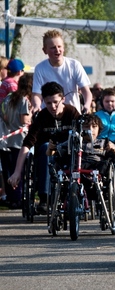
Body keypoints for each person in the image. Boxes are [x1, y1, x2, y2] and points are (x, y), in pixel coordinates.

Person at [7, 81, 80, 213]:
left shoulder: (72, 113)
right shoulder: (42, 116)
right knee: (47, 147)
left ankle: (74, 195)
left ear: (63, 99)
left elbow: (83, 137)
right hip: (46, 155)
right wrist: (17, 171)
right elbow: (27, 144)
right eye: (48, 103)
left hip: (68, 153)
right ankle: (44, 198)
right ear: (43, 102)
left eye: (56, 102)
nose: (52, 106)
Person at [47, 114, 115, 200]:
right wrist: (51, 148)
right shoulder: (72, 142)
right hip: (73, 167)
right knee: (58, 163)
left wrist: (114, 149)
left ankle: (88, 181)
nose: (90, 130)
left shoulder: (104, 143)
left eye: (94, 126)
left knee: (105, 164)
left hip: (95, 169)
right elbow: (51, 153)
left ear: (99, 129)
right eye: (86, 127)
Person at [32, 30, 92, 114]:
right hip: (49, 114)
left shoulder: (74, 65)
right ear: (45, 50)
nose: (57, 50)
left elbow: (86, 91)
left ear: (63, 48)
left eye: (59, 46)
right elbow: (36, 93)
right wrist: (36, 105)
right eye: (53, 48)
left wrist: (87, 105)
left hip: (71, 113)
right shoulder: (40, 68)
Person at [0, 73, 33, 209]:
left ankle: (11, 198)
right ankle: (18, 198)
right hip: (20, 140)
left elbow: (5, 117)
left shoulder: (9, 98)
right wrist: (31, 116)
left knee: (9, 169)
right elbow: (24, 120)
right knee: (19, 170)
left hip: (6, 139)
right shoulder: (25, 100)